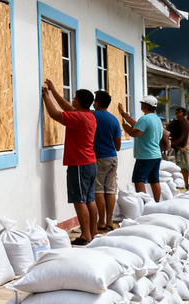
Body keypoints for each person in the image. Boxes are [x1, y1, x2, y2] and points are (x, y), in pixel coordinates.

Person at [41, 82, 98, 245]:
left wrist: (46, 97)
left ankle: (85, 236)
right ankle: (93, 232)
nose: (72, 99)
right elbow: (66, 107)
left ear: (79, 101)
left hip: (79, 164)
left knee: (79, 200)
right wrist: (53, 91)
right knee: (89, 199)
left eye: (74, 97)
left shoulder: (77, 117)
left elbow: (54, 114)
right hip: (90, 163)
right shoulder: (88, 115)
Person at [119, 95, 163, 201]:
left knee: (138, 180)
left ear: (145, 105)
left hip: (146, 156)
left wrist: (125, 127)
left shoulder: (145, 119)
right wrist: (124, 114)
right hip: (155, 155)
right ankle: (157, 202)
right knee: (154, 180)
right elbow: (137, 124)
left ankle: (144, 203)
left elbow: (135, 133)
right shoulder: (155, 118)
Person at [91, 90, 122, 231]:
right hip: (112, 157)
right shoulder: (114, 119)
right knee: (110, 190)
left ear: (97, 102)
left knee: (98, 190)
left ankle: (101, 222)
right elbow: (118, 145)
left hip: (97, 157)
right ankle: (110, 221)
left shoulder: (91, 116)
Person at [169, 107, 189, 189]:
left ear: (183, 113)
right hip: (177, 147)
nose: (177, 114)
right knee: (179, 166)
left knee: (184, 166)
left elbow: (185, 135)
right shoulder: (177, 122)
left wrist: (180, 145)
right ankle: (183, 183)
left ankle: (185, 183)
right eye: (176, 112)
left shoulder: (184, 122)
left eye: (179, 112)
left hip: (182, 148)